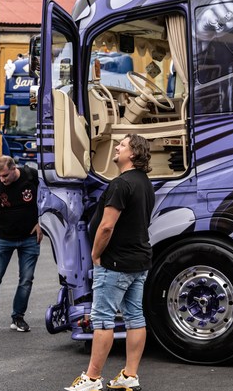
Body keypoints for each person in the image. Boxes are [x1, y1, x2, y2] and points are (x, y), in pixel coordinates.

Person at [65, 134, 155, 391]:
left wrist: (95, 254)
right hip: (139, 261)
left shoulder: (120, 184)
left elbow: (106, 227)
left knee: (102, 320)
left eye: (123, 145)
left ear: (134, 154)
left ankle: (92, 379)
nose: (117, 147)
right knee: (135, 318)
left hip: (115, 263)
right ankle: (130, 376)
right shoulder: (145, 183)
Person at [0, 156, 42, 334]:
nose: (2, 179)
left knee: (26, 279)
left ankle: (18, 317)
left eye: (5, 175)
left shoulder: (31, 176)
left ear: (14, 169)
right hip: (3, 237)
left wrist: (41, 222)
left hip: (29, 237)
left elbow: (48, 198)